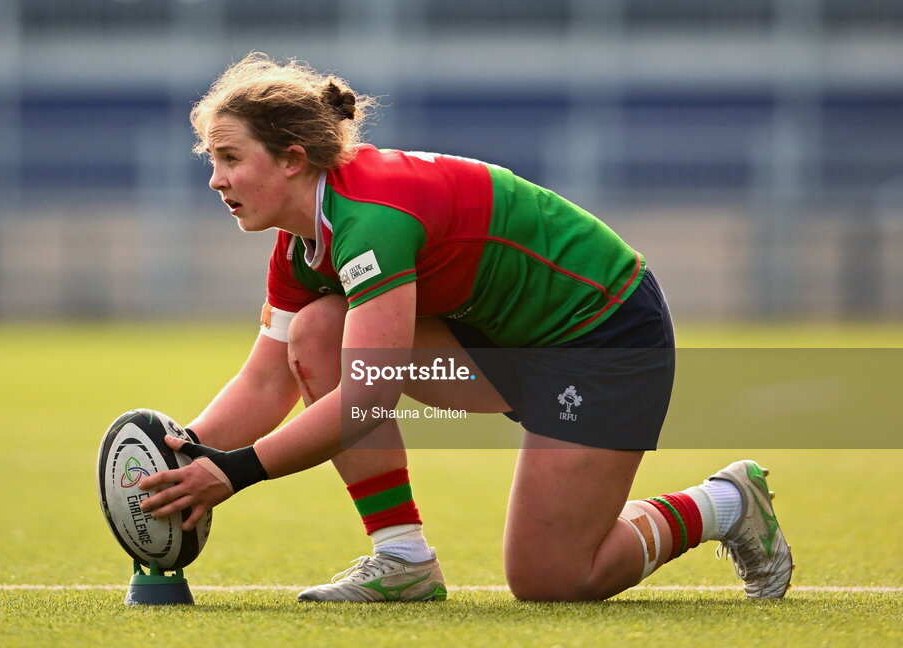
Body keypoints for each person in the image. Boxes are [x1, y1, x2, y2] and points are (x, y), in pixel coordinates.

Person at [137, 53, 794, 602]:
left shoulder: (371, 220)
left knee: (555, 579)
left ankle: (724, 504)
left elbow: (369, 397)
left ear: (291, 158)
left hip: (602, 337)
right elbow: (264, 379)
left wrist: (235, 472)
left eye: (228, 157)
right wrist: (184, 454)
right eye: (210, 160)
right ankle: (403, 561)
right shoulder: (301, 243)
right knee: (314, 334)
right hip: (500, 343)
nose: (216, 179)